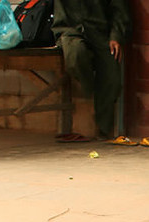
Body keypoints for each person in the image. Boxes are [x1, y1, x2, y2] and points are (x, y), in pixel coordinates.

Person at [52, 0, 131, 140]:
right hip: (70, 32)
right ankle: (88, 97)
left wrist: (115, 37)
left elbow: (119, 11)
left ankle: (103, 129)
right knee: (76, 54)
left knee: (112, 75)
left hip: (100, 33)